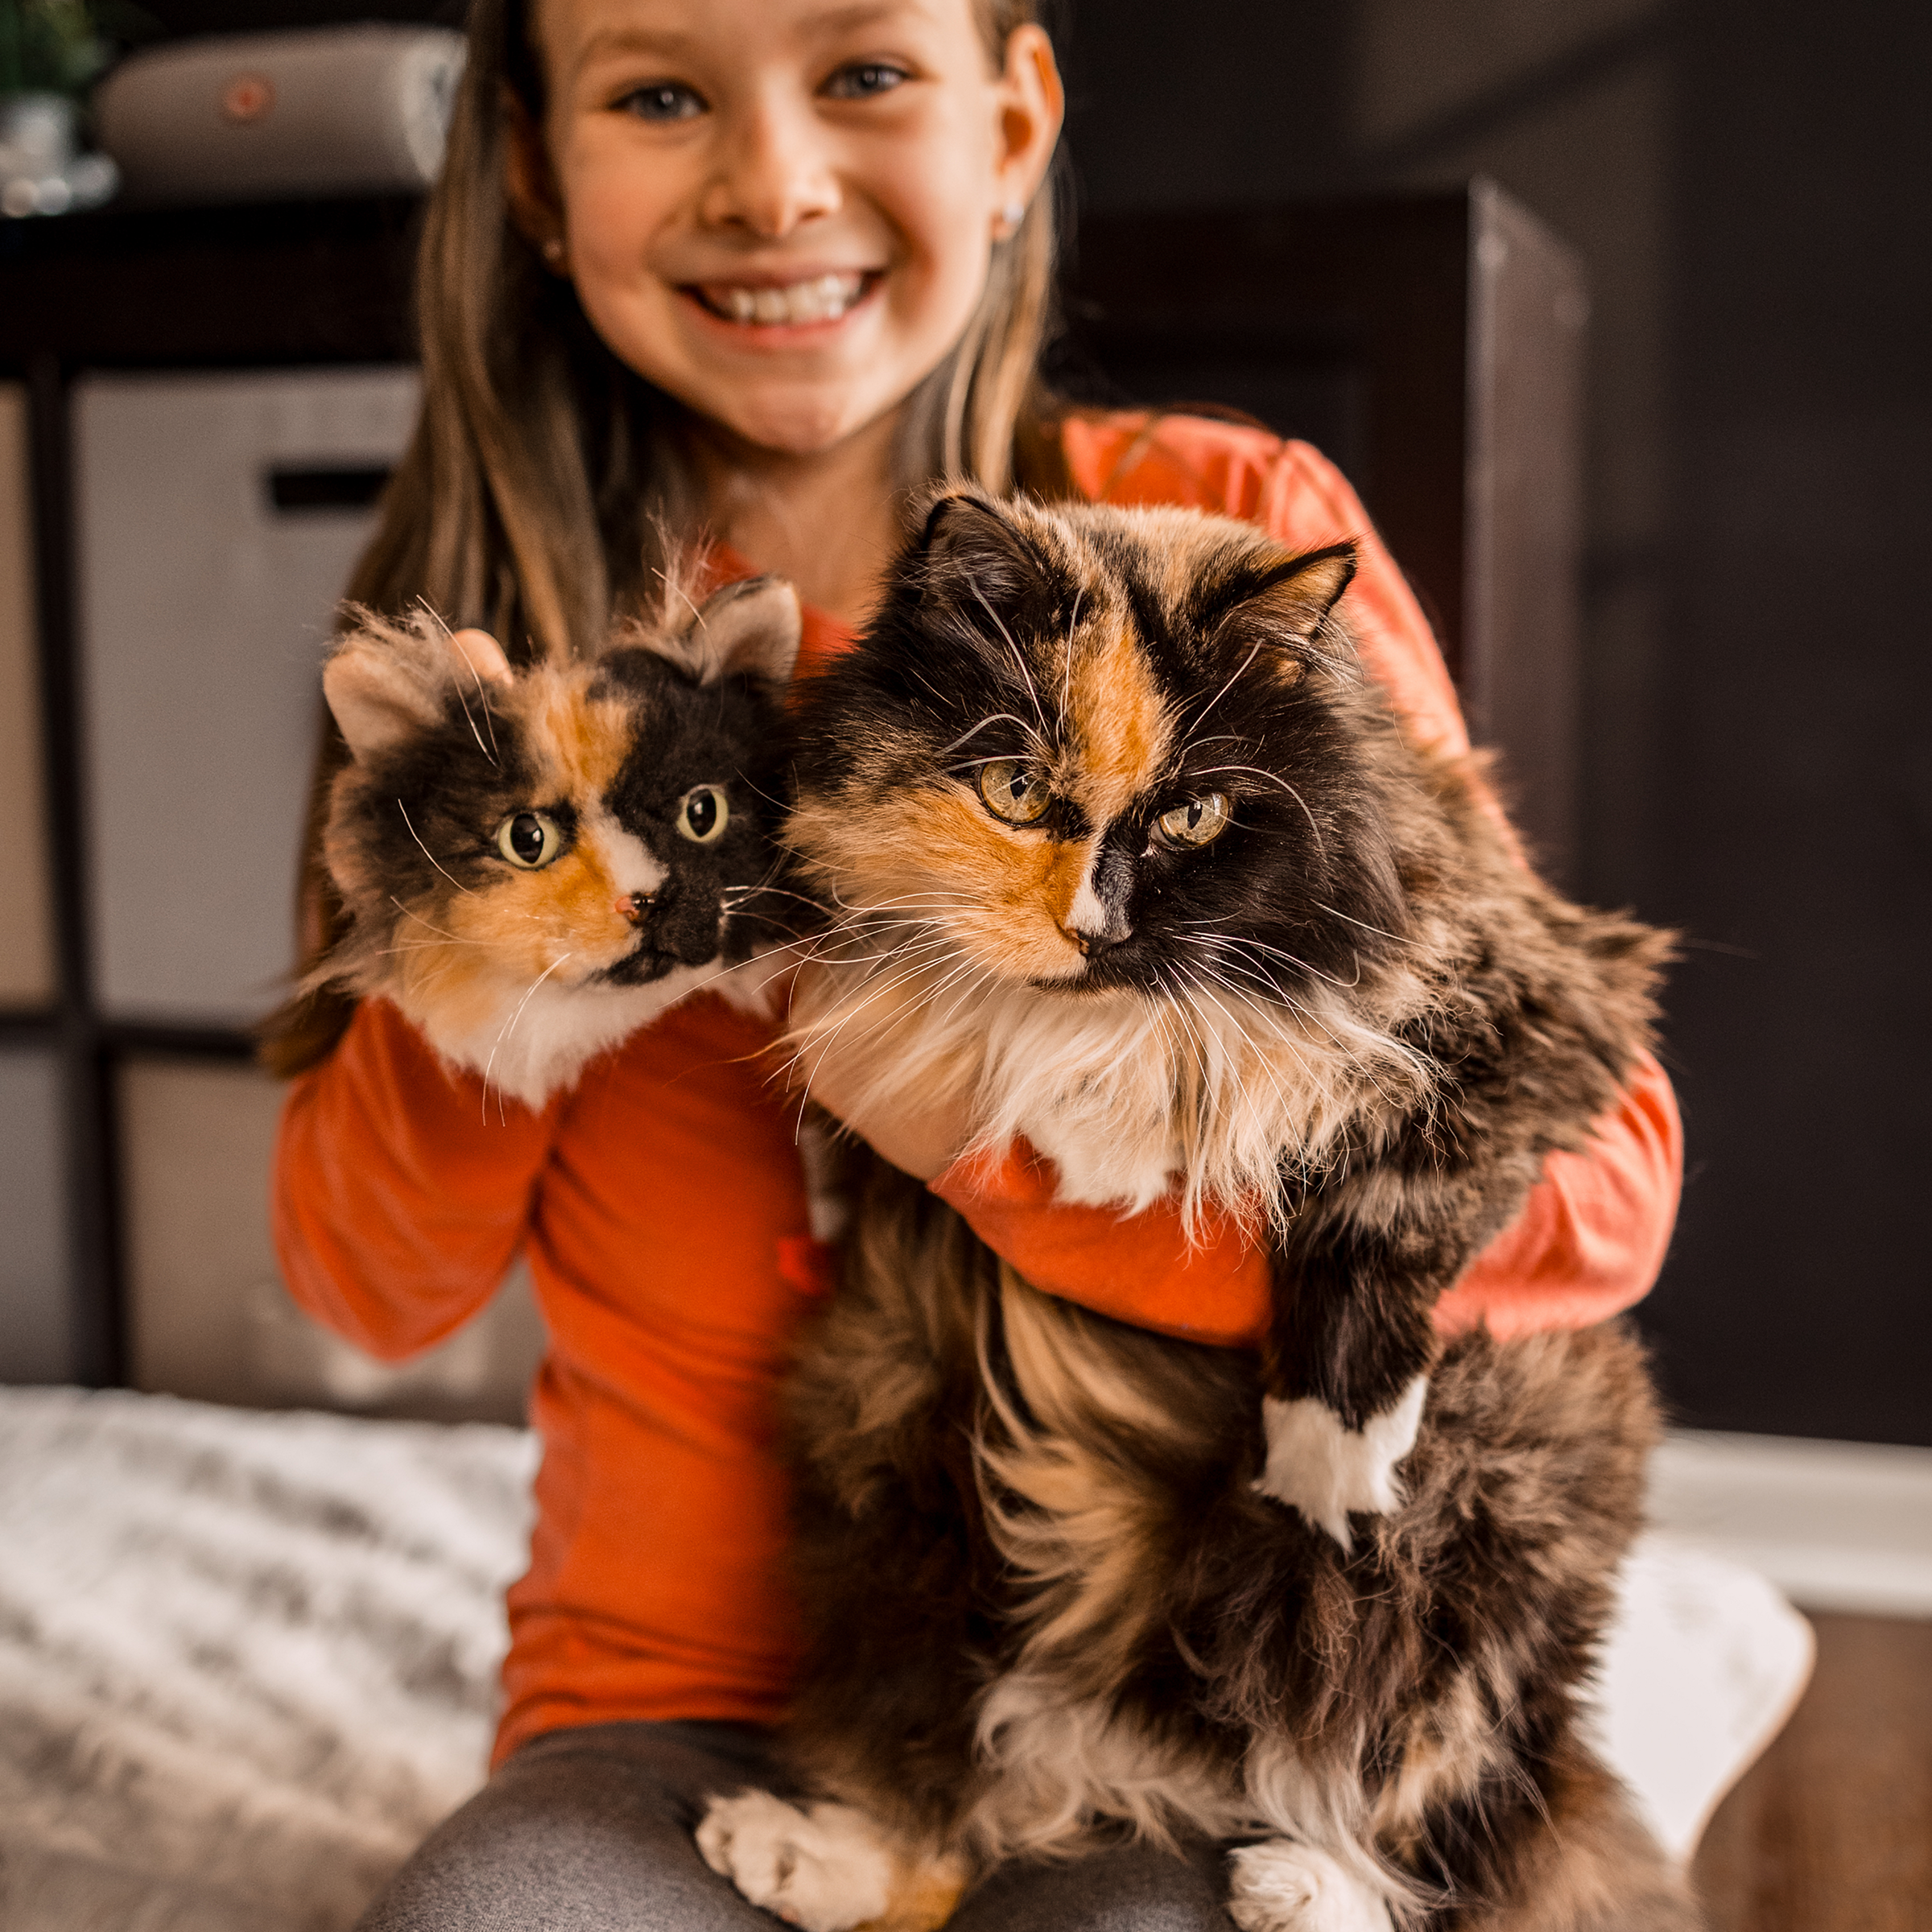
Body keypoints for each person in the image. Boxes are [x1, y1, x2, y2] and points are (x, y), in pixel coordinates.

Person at [267, 1, 1683, 1926]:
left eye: (863, 74)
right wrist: (509, 911)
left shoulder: (1225, 539)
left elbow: (1601, 1201)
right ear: (531, 166)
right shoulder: (479, 678)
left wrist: (983, 1147)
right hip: (678, 1704)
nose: (771, 184)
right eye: (662, 93)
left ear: (1013, 124)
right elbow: (367, 1285)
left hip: (1169, 1664)